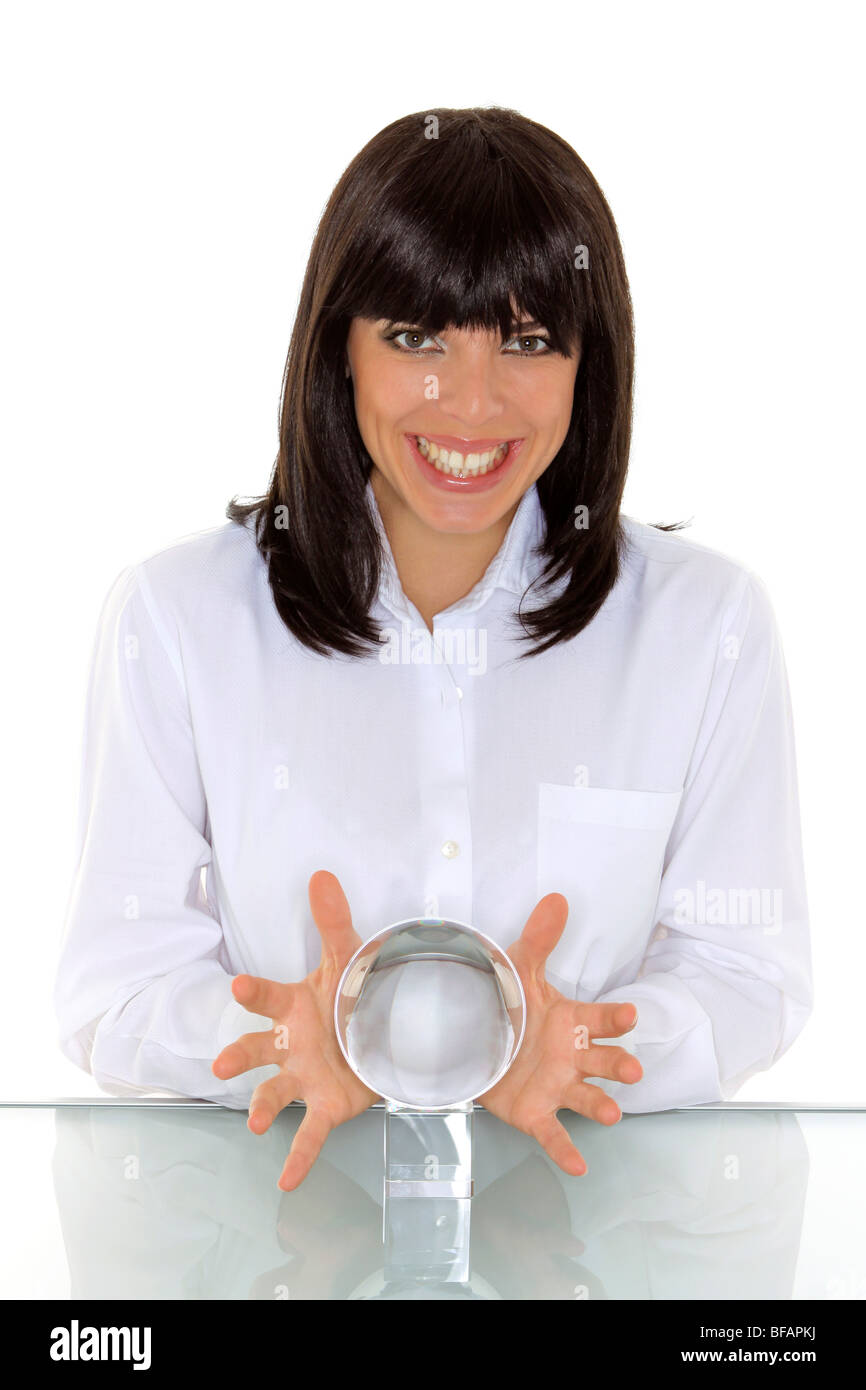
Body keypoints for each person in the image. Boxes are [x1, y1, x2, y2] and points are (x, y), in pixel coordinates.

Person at [53, 106, 813, 1192]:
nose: (472, 401)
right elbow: (110, 988)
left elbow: (752, 975)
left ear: (587, 365)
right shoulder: (177, 619)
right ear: (340, 351)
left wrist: (579, 1048)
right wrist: (284, 1041)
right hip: (284, 1256)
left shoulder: (707, 627)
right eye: (415, 336)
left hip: (587, 1254)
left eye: (528, 340)